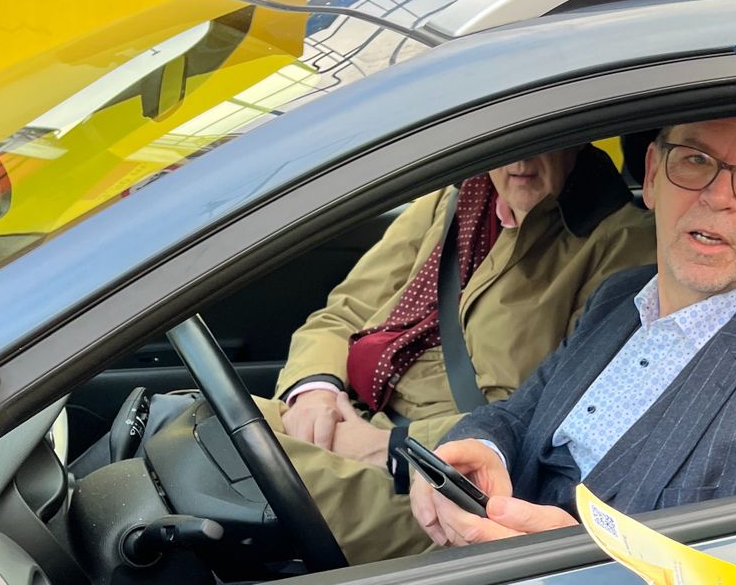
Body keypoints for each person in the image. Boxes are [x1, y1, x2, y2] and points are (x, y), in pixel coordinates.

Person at [353, 115, 736, 546]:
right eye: (694, 160)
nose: (718, 197)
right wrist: (477, 448)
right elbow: (518, 412)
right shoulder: (618, 298)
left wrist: (569, 562)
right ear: (652, 176)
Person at [261, 144, 653, 562]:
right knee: (196, 420)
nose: (519, 162)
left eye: (539, 144)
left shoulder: (621, 242)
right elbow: (346, 311)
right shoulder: (449, 204)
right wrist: (314, 391)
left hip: (443, 476)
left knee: (215, 466)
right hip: (353, 411)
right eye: (508, 142)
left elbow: (553, 409)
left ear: (574, 138)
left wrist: (388, 446)